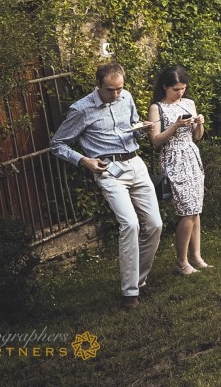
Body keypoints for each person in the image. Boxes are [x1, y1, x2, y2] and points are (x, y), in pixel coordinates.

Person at [51, 64, 160, 308]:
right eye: (110, 90)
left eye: (120, 89)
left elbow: (133, 126)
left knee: (155, 224)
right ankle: (129, 292)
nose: (116, 95)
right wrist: (84, 160)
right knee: (130, 224)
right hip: (108, 170)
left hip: (135, 163)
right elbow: (57, 144)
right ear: (98, 85)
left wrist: (142, 128)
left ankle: (139, 282)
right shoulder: (81, 109)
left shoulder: (127, 97)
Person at [147, 66, 207, 275]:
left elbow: (197, 136)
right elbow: (155, 141)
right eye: (175, 89)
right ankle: (181, 261)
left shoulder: (189, 103)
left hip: (191, 156)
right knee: (187, 210)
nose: (180, 93)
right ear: (165, 87)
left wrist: (200, 123)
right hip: (173, 158)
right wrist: (175, 126)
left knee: (196, 209)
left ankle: (196, 256)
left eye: (183, 88)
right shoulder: (157, 108)